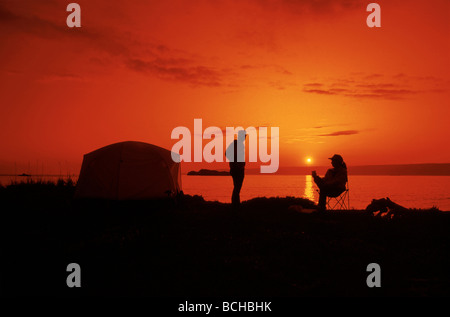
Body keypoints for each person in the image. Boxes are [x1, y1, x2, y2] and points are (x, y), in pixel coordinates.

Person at [226, 130, 247, 209]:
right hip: (237, 170)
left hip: (238, 169)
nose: (245, 138)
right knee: (237, 187)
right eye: (244, 136)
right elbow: (227, 153)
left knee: (237, 187)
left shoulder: (239, 144)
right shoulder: (236, 144)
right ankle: (235, 205)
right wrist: (236, 162)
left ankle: (236, 204)